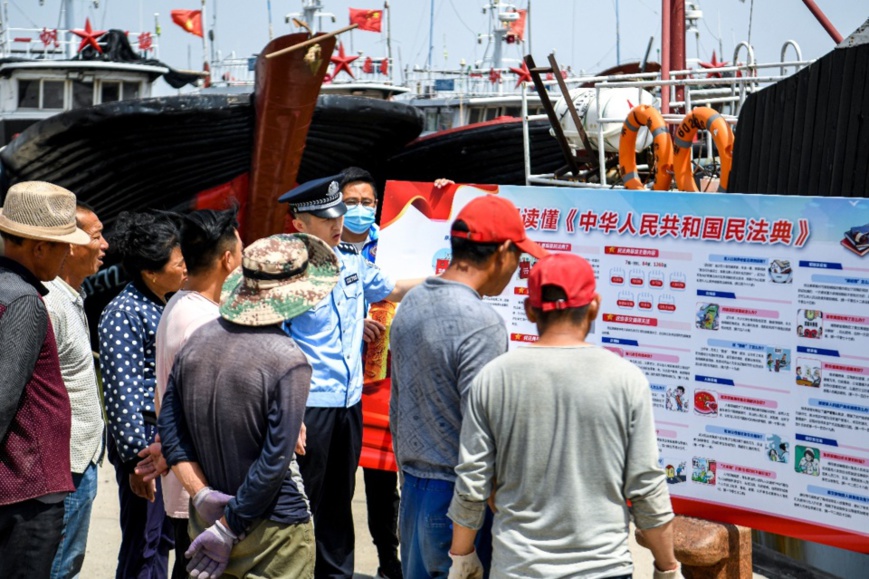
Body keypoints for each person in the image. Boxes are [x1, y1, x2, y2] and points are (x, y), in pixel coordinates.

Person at [445, 252, 681, 579]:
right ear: (594, 305)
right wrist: (666, 566)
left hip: (518, 569)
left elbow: (473, 482)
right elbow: (645, 486)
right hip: (604, 569)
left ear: (530, 310)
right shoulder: (626, 379)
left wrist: (462, 556)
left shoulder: (494, 377)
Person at [158, 233, 340, 579]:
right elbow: (275, 462)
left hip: (209, 517)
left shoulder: (198, 340)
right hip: (273, 530)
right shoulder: (289, 360)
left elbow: (170, 430)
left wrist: (202, 496)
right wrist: (230, 525)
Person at [389, 194, 548, 578]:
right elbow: (483, 438)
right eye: (520, 258)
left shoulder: (411, 302)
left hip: (412, 491)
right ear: (503, 252)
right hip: (460, 505)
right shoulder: (481, 322)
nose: (518, 269)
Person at [278, 174, 421, 578]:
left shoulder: (352, 259)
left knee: (341, 500)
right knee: (304, 501)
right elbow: (275, 343)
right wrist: (287, 410)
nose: (338, 224)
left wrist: (453, 279)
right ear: (300, 224)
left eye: (339, 215)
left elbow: (391, 288)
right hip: (310, 405)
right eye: (327, 219)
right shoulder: (287, 272)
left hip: (348, 402)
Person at [134, 208, 242, 579]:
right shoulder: (203, 322)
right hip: (204, 485)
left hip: (191, 481)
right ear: (227, 259)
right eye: (241, 251)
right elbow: (209, 413)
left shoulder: (182, 303)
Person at [0, 181, 89, 579]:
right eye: (63, 244)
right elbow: (3, 397)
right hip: (26, 489)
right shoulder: (23, 301)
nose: (70, 252)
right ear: (38, 248)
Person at [98, 210, 186, 578]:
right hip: (146, 448)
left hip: (171, 442)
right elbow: (123, 396)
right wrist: (139, 462)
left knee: (169, 540)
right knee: (144, 549)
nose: (185, 269)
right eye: (178, 263)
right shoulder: (124, 313)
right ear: (150, 272)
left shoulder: (167, 303)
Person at [43, 201, 109, 579]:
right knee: (57, 566)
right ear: (69, 244)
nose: (105, 245)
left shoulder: (70, 297)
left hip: (78, 462)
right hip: (62, 467)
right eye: (96, 236)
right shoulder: (50, 303)